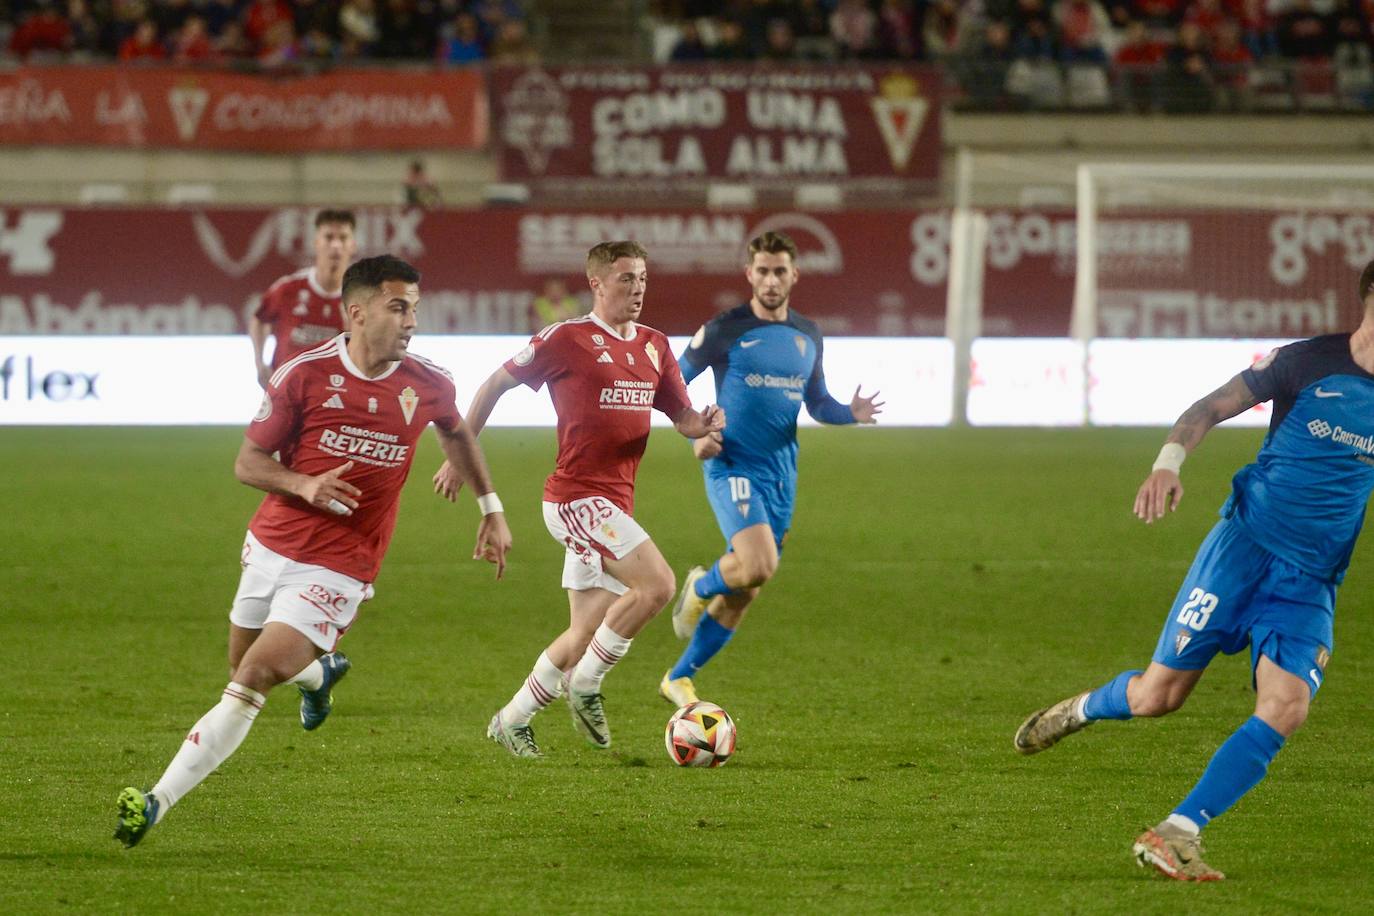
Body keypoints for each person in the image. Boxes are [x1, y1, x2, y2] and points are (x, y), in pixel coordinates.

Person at [114, 255, 513, 848]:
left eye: (415, 309)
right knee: (242, 663)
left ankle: (155, 800)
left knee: (250, 678)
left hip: (344, 561)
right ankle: (317, 674)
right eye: (398, 307)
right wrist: (303, 484)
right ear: (356, 312)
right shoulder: (303, 374)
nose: (411, 322)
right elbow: (247, 463)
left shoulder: (429, 382)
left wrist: (491, 507)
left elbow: (456, 432)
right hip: (272, 544)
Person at [1014, 260, 1374, 882]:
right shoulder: (1308, 361)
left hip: (1310, 580)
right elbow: (1212, 406)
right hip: (1242, 549)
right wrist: (1167, 463)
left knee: (1287, 706)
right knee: (1159, 697)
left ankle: (1177, 831)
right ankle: (1080, 710)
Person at [433, 241, 724, 758]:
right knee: (657, 584)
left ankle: (510, 719)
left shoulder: (655, 345)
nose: (636, 290)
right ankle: (586, 684)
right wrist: (460, 457)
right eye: (625, 279)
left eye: (641, 279)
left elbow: (681, 416)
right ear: (595, 283)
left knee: (586, 629)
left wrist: (700, 424)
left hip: (613, 507)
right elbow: (493, 385)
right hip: (575, 500)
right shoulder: (566, 339)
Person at [662, 232, 883, 708]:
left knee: (748, 587)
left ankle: (677, 679)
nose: (770, 279)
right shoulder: (724, 329)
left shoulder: (808, 335)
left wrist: (850, 412)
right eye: (762, 270)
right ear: (749, 275)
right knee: (760, 563)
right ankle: (699, 586)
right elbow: (671, 383)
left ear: (794, 275)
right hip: (731, 463)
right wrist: (698, 435)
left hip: (781, 472)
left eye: (779, 270)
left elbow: (818, 403)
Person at [250, 209, 358, 389]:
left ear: (353, 245)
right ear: (316, 242)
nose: (336, 245)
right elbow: (259, 320)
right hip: (286, 392)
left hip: (332, 394)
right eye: (329, 237)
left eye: (343, 238)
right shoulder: (288, 288)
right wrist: (260, 363)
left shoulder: (358, 297)